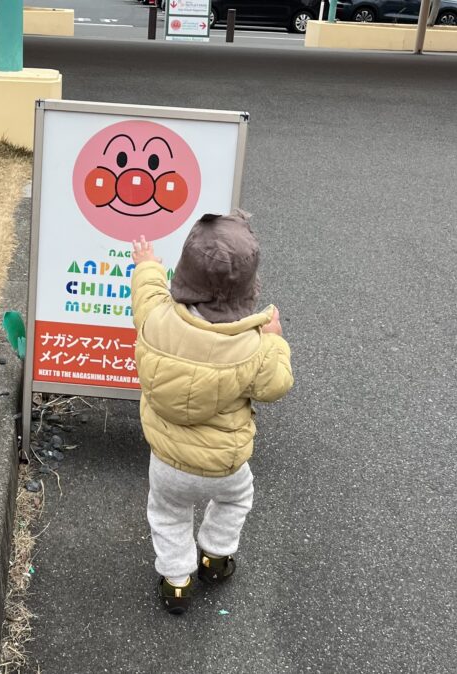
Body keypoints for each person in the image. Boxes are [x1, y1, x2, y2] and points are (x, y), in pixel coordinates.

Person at [130, 210, 294, 615]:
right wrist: (274, 340)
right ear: (248, 290)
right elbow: (276, 386)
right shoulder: (252, 345)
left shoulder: (156, 319)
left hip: (167, 461)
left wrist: (147, 264)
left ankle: (176, 582)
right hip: (224, 465)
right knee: (237, 499)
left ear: (184, 275)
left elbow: (147, 294)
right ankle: (216, 559)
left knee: (167, 514)